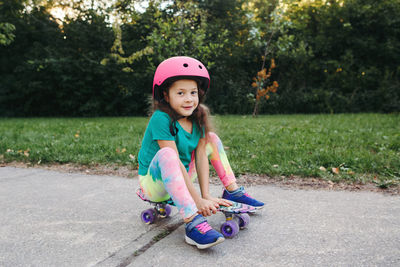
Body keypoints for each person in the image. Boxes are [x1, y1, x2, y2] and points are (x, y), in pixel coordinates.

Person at [138, 56, 264, 249]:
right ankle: (192, 221)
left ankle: (232, 191)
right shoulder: (160, 118)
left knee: (211, 139)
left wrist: (205, 195)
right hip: (155, 184)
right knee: (169, 155)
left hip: (181, 179)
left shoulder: (197, 117)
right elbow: (174, 162)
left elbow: (201, 157)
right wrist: (197, 202)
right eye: (180, 93)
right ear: (166, 94)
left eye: (193, 92)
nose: (189, 99)